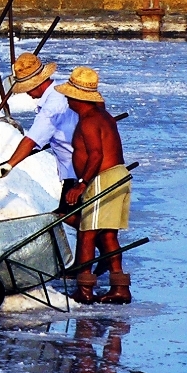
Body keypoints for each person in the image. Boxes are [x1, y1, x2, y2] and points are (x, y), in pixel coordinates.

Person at [58, 67, 133, 304]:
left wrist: (81, 184)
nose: (67, 99)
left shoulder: (90, 121)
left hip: (103, 179)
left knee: (87, 234)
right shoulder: (102, 115)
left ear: (79, 98)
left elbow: (96, 155)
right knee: (108, 235)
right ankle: (120, 287)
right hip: (116, 176)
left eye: (70, 95)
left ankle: (85, 288)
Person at [0, 53, 80, 227]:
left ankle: (97, 243)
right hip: (72, 168)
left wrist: (9, 165)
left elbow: (31, 139)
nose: (27, 94)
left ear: (38, 83)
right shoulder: (59, 91)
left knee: (68, 216)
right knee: (65, 215)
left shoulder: (51, 106)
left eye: (26, 89)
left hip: (78, 168)